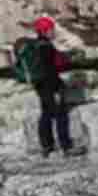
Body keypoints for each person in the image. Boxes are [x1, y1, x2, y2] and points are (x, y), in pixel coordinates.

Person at [29, 16, 84, 158]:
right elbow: (51, 70)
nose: (53, 31)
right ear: (45, 30)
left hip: (39, 85)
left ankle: (46, 147)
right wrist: (59, 86)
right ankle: (66, 147)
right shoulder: (46, 47)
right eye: (51, 29)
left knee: (46, 114)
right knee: (61, 114)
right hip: (50, 85)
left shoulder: (35, 46)